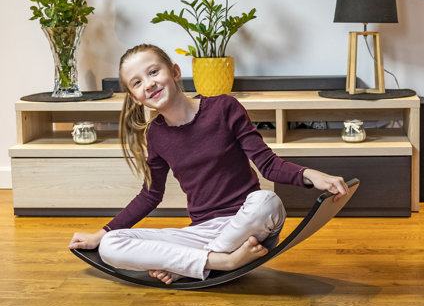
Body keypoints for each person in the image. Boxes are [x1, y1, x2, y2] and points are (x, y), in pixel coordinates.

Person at [69, 44, 349, 284]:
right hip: (201, 232)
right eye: (137, 82)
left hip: (247, 223)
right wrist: (101, 234)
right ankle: (222, 262)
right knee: (111, 246)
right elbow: (150, 194)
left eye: (154, 72)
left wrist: (312, 176)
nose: (149, 83)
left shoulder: (224, 108)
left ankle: (188, 267)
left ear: (175, 72)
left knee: (267, 201)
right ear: (134, 97)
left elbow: (268, 164)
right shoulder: (156, 135)